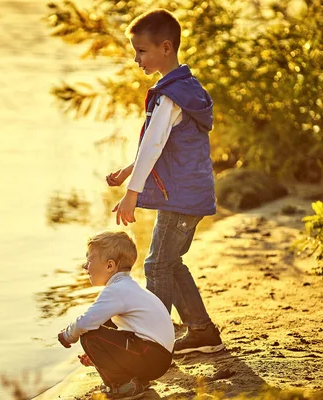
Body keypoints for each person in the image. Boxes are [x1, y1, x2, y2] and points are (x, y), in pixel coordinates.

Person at [106, 8, 224, 355]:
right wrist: (130, 170)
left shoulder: (172, 95)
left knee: (157, 264)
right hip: (187, 192)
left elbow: (155, 144)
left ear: (166, 47)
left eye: (142, 50)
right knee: (170, 262)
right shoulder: (183, 88)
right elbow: (159, 145)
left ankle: (152, 341)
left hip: (182, 196)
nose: (136, 57)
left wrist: (132, 194)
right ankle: (201, 330)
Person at [57, 230, 174, 399]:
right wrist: (101, 355)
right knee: (104, 325)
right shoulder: (128, 287)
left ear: (110, 266)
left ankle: (122, 386)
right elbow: (118, 331)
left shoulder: (116, 291)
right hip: (157, 357)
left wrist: (67, 335)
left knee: (89, 335)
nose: (85, 266)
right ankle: (136, 382)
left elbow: (84, 323)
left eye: (89, 260)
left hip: (151, 356)